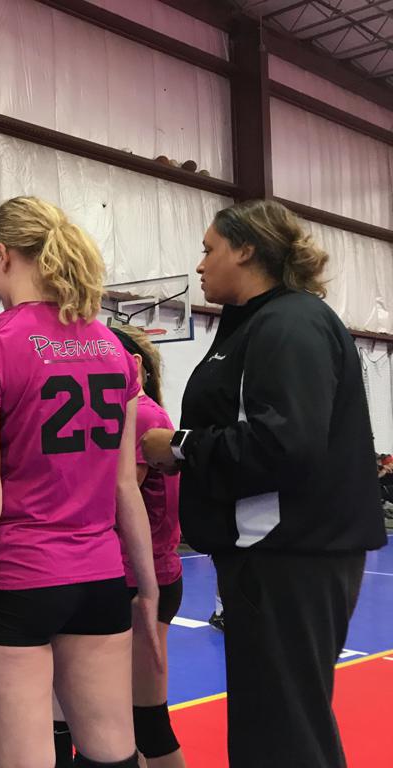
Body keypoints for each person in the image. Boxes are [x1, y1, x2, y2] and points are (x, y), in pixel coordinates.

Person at [141, 199, 387, 768]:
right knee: (279, 721)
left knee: (282, 729)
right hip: (277, 553)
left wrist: (179, 446)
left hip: (289, 556)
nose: (200, 264)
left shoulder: (288, 324)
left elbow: (286, 444)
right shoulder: (263, 324)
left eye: (209, 249)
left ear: (246, 249)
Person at [0, 196, 160, 768]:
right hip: (99, 577)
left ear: (1, 255)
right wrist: (146, 589)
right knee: (112, 755)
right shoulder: (113, 349)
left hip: (16, 579)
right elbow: (125, 488)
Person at [109, 325, 186, 768]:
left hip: (141, 579)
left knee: (146, 723)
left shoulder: (140, 416)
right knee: (124, 723)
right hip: (138, 576)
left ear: (133, 364)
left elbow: (122, 497)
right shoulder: (141, 413)